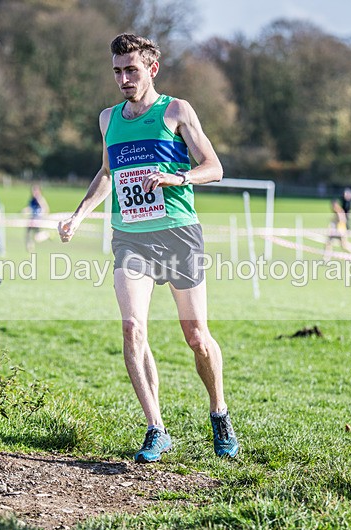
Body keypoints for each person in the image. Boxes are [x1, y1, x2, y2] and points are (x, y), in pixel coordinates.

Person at [58, 33, 239, 463]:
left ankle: (219, 413)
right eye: (117, 71)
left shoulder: (176, 111)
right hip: (131, 237)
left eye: (131, 70)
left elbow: (214, 167)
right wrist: (79, 215)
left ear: (151, 69)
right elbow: (107, 172)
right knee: (132, 328)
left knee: (196, 336)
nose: (124, 78)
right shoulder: (108, 119)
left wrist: (178, 178)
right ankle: (156, 428)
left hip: (178, 232)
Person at [24, 184, 50, 252]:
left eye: (35, 190)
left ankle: (47, 234)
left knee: (36, 237)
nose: (33, 192)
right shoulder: (32, 200)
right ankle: (30, 246)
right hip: (32, 219)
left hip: (38, 219)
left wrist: (43, 218)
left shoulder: (40, 199)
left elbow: (46, 209)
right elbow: (30, 208)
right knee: (28, 232)